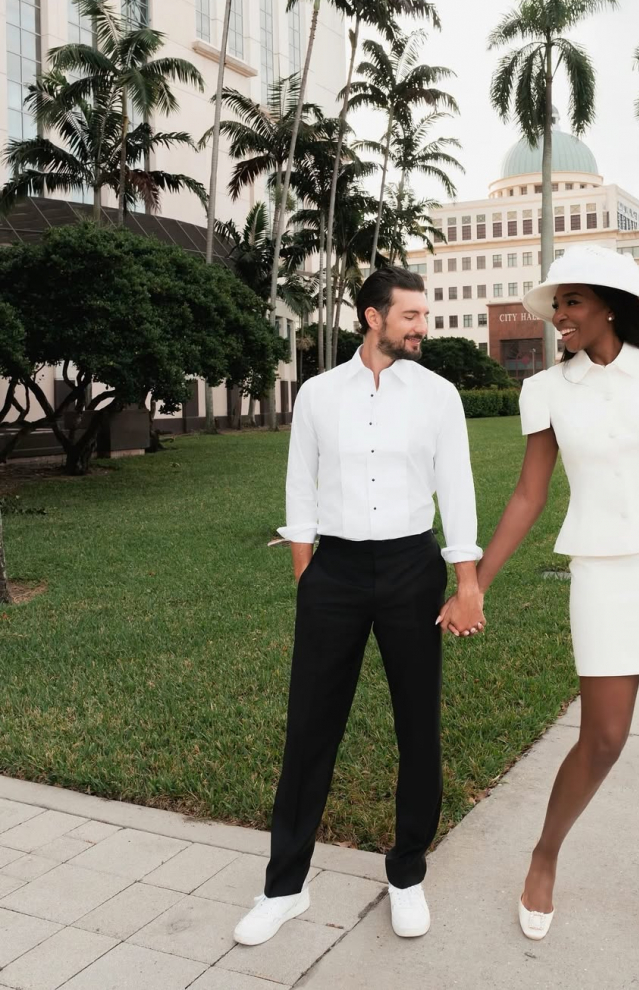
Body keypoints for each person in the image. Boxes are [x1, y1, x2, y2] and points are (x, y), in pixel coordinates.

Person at [438, 245, 639, 973]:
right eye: (556, 305)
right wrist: (475, 581)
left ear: (607, 305)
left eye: (569, 303)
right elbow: (529, 496)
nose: (557, 316)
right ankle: (543, 854)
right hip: (601, 572)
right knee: (600, 736)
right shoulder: (546, 390)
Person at [234, 266, 486, 948]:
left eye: (422, 316)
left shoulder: (436, 396)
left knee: (417, 726)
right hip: (335, 572)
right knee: (309, 728)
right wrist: (305, 572)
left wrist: (466, 582)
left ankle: (406, 874)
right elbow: (300, 484)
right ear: (372, 317)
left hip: (411, 565)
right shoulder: (318, 395)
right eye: (410, 316)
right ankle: (284, 886)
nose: (421, 328)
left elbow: (455, 486)